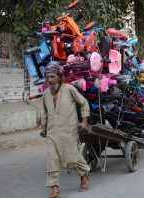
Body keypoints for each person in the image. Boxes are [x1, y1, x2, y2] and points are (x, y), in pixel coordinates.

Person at [40, 62, 91, 198]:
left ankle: (84, 176)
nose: (49, 80)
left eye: (52, 77)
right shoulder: (45, 94)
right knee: (52, 159)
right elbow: (43, 112)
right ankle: (55, 189)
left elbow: (84, 103)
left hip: (69, 131)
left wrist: (84, 121)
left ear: (60, 77)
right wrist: (43, 127)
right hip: (52, 132)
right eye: (47, 77)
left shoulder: (69, 89)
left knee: (72, 158)